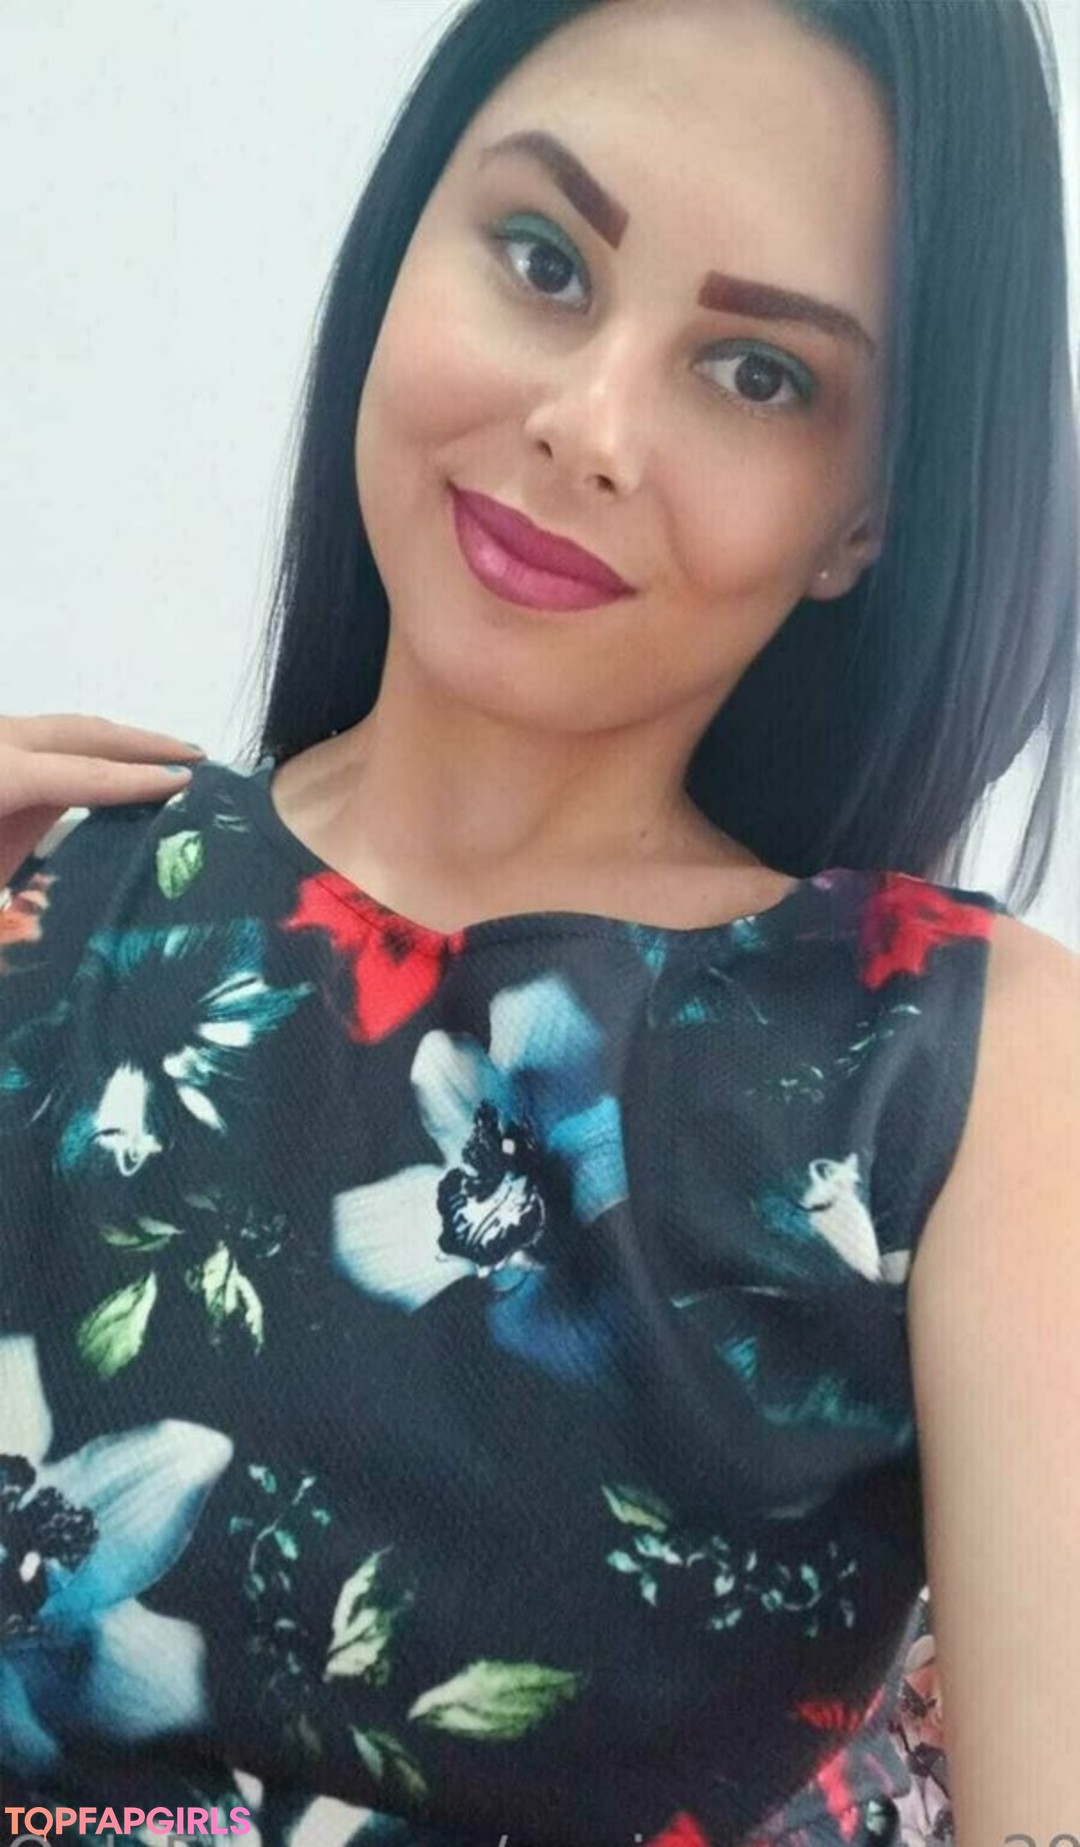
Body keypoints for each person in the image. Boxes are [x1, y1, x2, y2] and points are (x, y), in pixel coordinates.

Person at [1, 1, 1078, 1843]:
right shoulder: (43, 908)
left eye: (759, 373)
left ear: (866, 518)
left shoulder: (959, 1074)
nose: (587, 426)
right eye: (544, 258)